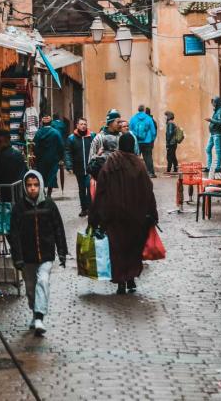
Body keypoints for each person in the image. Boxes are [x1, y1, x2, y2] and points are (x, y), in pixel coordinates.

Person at [89, 132, 158, 295]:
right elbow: (149, 190)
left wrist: (95, 216)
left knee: (118, 248)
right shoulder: (139, 164)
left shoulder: (111, 163)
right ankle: (131, 279)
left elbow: (101, 191)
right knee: (133, 248)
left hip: (115, 216)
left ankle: (121, 281)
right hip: (136, 215)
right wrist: (152, 213)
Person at [9, 170, 67, 337]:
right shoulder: (19, 208)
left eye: (35, 185)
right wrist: (17, 257)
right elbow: (14, 235)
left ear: (40, 185)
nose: (32, 188)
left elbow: (58, 229)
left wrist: (61, 252)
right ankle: (35, 313)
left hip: (46, 254)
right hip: (27, 257)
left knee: (43, 280)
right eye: (29, 185)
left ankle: (40, 317)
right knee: (30, 288)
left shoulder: (49, 205)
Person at [65, 118, 96, 216]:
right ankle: (84, 208)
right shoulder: (71, 138)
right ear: (77, 125)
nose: (83, 126)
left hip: (90, 169)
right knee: (81, 189)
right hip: (78, 168)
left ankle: (90, 208)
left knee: (89, 187)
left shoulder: (91, 136)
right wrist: (69, 166)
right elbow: (68, 152)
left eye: (85, 124)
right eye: (81, 124)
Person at [0, 129, 27, 200]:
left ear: (7, 141)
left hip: (7, 194)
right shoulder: (18, 154)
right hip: (19, 192)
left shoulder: (0, 157)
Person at [33, 114, 65, 196]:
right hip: (53, 159)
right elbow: (61, 146)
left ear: (42, 123)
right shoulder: (56, 133)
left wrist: (36, 157)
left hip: (41, 160)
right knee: (51, 176)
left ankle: (42, 193)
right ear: (51, 123)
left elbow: (34, 146)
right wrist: (61, 158)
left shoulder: (38, 133)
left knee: (42, 176)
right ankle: (49, 194)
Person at [129, 104, 157, 178]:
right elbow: (153, 132)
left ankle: (134, 173)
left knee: (135, 158)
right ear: (144, 110)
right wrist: (151, 139)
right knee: (148, 158)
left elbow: (130, 130)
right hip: (147, 142)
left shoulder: (133, 118)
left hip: (136, 142)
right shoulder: (149, 118)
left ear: (138, 110)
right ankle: (151, 173)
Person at [204, 96, 221, 173]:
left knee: (217, 150)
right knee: (208, 149)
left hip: (217, 134)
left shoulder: (220, 111)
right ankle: (209, 166)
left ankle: (218, 167)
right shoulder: (217, 111)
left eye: (214, 102)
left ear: (217, 102)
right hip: (213, 133)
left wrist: (211, 120)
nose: (213, 104)